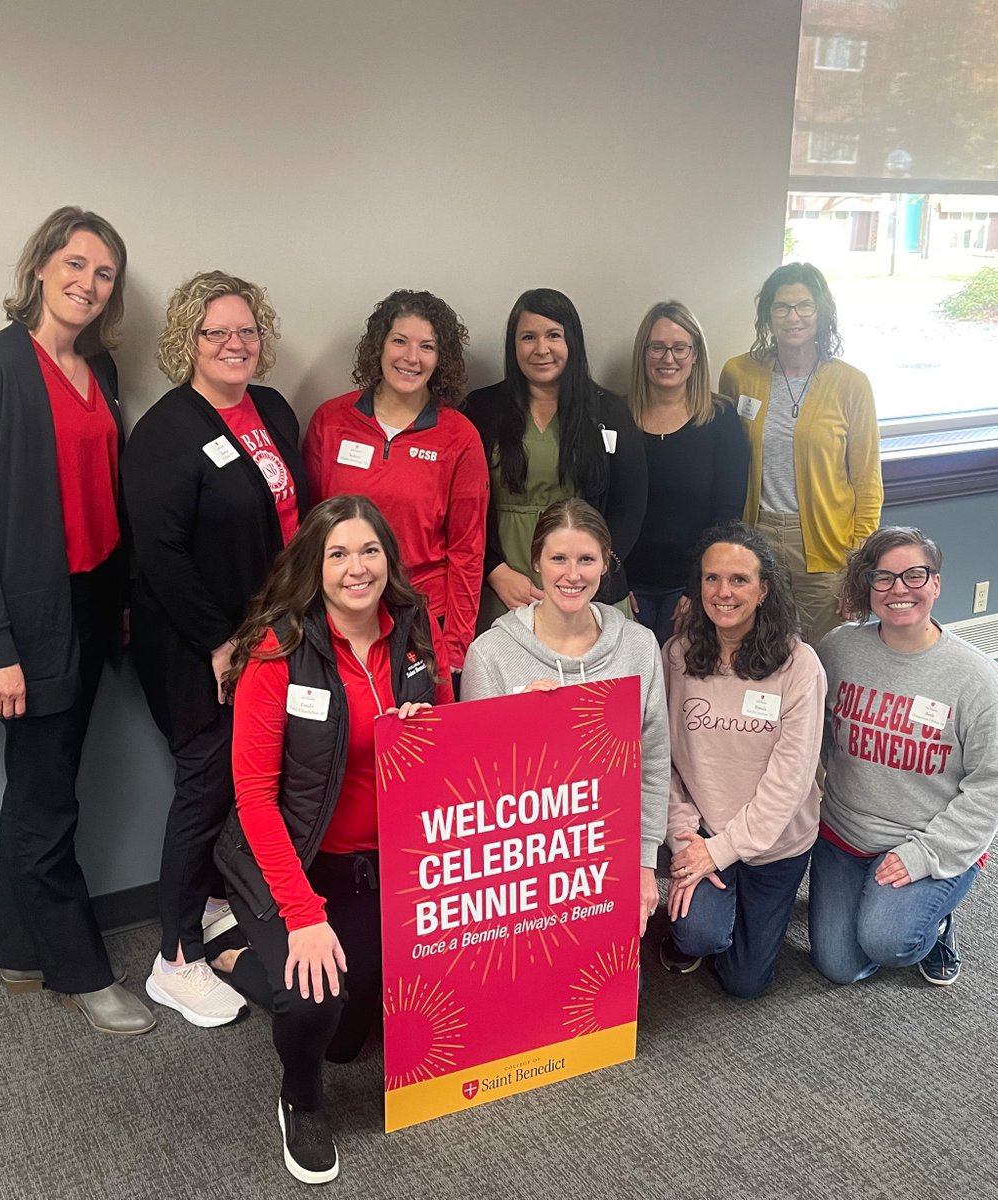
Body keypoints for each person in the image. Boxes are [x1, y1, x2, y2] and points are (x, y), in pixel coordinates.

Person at [0, 205, 154, 1035]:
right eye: (75, 264)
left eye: (104, 274)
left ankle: (18, 953)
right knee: (48, 803)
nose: (88, 283)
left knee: (40, 788)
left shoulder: (96, 371)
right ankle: (79, 970)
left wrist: (124, 605)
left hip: (92, 609)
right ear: (39, 266)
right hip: (29, 625)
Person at [211, 495, 453, 1184]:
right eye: (338, 554)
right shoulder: (278, 648)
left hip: (379, 861)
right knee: (316, 999)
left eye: (369, 550)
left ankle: (236, 961)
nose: (356, 568)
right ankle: (301, 1100)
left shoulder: (412, 626)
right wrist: (302, 912)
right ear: (313, 565)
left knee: (350, 1038)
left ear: (388, 558)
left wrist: (426, 725)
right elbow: (254, 800)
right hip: (289, 859)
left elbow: (446, 729)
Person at [122, 271, 309, 1027]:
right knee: (205, 787)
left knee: (244, 783)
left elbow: (289, 519)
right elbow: (159, 552)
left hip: (267, 633)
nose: (234, 344)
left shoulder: (271, 410)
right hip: (194, 645)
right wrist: (221, 640)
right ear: (187, 343)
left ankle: (211, 907)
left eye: (246, 331)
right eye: (215, 333)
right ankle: (174, 959)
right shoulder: (167, 430)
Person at [809, 526, 998, 988]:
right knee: (839, 966)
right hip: (845, 834)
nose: (898, 590)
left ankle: (940, 921)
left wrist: (926, 855)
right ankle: (880, 900)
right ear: (868, 587)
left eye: (914, 575)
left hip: (928, 837)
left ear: (936, 584)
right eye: (883, 578)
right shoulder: (838, 650)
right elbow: (815, 736)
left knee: (890, 942)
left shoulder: (977, 678)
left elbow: (997, 781)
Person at [460, 498, 668, 939]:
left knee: (613, 999)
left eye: (587, 560)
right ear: (536, 562)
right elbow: (474, 788)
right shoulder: (490, 654)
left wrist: (644, 863)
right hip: (519, 863)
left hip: (607, 852)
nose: (572, 575)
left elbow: (651, 762)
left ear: (605, 565)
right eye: (558, 558)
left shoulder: (639, 646)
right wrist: (518, 724)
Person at [661, 522, 825, 998]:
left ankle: (738, 907)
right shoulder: (678, 655)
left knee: (745, 982)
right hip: (704, 830)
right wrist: (685, 836)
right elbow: (665, 759)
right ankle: (713, 915)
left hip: (776, 844)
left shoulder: (800, 665)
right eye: (712, 579)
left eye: (739, 580)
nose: (724, 592)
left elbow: (790, 782)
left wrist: (722, 851)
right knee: (699, 934)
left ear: (763, 590)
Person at [302, 290, 488, 677]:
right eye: (399, 341)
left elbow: (467, 548)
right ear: (379, 346)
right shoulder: (331, 420)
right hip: (340, 613)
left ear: (441, 359)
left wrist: (455, 645)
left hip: (421, 619)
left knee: (415, 734)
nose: (411, 358)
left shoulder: (459, 436)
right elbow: (308, 531)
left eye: (427, 346)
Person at [718, 263, 882, 647]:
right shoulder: (739, 374)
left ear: (822, 312)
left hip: (826, 546)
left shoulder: (850, 384)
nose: (793, 317)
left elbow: (868, 483)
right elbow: (724, 457)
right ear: (767, 316)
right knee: (757, 644)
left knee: (823, 652)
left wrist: (857, 562)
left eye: (804, 306)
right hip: (754, 534)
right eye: (781, 307)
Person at [466, 288, 646, 633]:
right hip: (505, 587)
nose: (541, 349)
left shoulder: (608, 411)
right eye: (528, 337)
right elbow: (461, 507)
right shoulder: (481, 409)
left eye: (553, 335)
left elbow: (631, 503)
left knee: (592, 685)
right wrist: (495, 571)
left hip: (586, 582)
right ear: (513, 345)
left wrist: (598, 566)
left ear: (572, 342)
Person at [624, 301, 748, 641]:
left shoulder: (721, 419)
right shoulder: (616, 415)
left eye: (680, 347)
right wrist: (613, 583)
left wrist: (698, 587)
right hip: (626, 590)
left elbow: (727, 516)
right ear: (643, 353)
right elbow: (601, 508)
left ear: (695, 354)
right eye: (658, 347)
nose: (669, 358)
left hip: (692, 591)